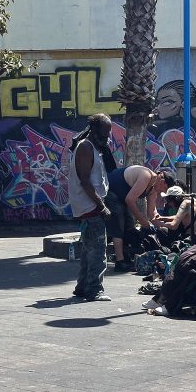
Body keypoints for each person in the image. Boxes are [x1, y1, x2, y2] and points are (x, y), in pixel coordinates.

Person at [68, 114, 113, 301]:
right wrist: (101, 206)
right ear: (95, 131)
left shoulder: (93, 147)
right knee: (97, 250)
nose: (107, 136)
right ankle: (94, 289)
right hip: (90, 206)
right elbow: (85, 181)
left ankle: (82, 286)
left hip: (89, 205)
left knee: (88, 249)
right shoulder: (86, 147)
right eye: (105, 132)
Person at [105, 166, 176, 271]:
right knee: (118, 224)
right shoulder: (146, 176)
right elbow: (130, 200)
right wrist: (142, 221)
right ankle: (120, 261)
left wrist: (162, 226)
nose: (162, 192)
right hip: (112, 191)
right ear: (162, 180)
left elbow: (152, 214)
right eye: (164, 189)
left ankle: (126, 256)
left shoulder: (153, 189)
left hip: (123, 196)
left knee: (129, 225)